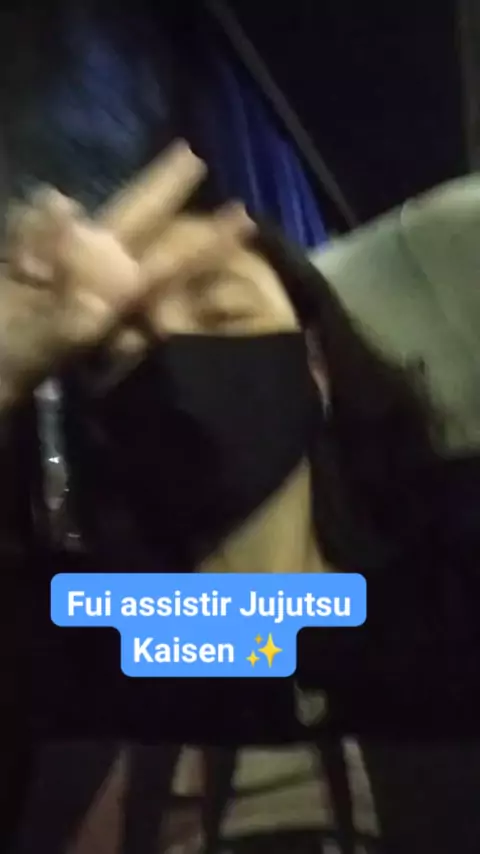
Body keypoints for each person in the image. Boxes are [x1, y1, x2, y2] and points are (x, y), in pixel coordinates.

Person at [5, 138, 480, 854]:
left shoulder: (452, 564)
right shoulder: (64, 638)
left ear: (317, 365)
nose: (172, 352)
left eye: (223, 314)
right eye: (117, 348)